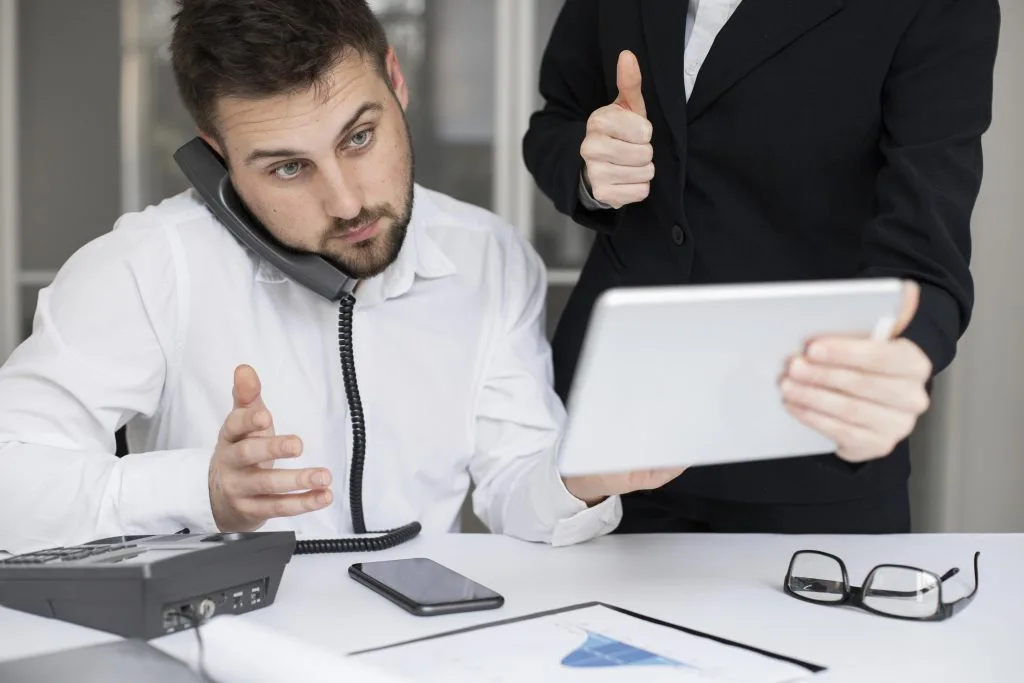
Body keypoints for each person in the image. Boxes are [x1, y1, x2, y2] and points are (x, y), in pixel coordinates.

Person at [0, 0, 677, 556]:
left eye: (359, 138)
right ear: (218, 159)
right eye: (287, 168)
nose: (348, 202)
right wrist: (196, 487)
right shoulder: (145, 265)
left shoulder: (489, 256)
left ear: (396, 81)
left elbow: (515, 495)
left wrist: (583, 473)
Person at [522, 0, 1000, 533]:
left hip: (803, 455)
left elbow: (927, 249)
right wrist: (592, 169)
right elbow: (555, 123)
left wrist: (895, 359)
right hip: (608, 445)